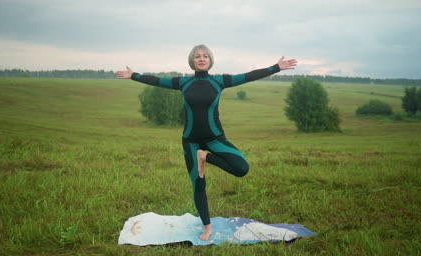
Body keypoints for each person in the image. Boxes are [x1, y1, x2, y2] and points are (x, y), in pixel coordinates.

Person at [116, 45, 297, 240]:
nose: (201, 59)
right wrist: (134, 75)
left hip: (215, 138)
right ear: (192, 61)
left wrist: (276, 67)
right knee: (198, 184)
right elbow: (157, 81)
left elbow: (249, 75)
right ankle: (207, 227)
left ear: (210, 60)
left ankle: (205, 157)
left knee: (241, 168)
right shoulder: (183, 82)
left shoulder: (219, 81)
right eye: (197, 57)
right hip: (191, 141)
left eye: (205, 56)